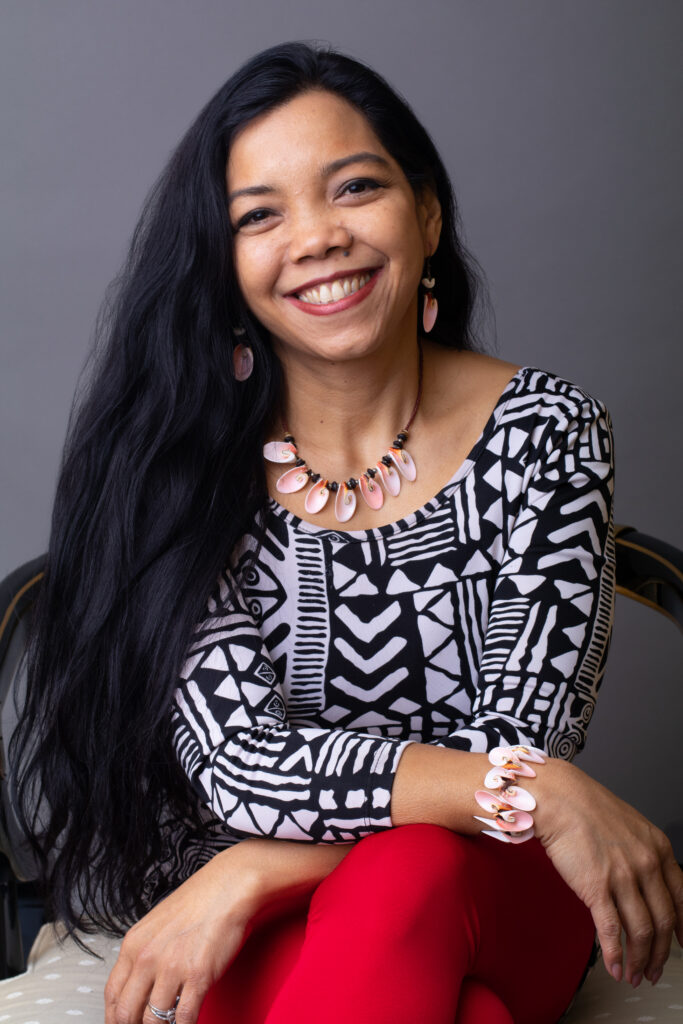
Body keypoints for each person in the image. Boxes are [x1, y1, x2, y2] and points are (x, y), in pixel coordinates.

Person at [7, 41, 682, 1024]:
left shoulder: (546, 432)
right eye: (260, 215)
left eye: (354, 187)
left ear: (426, 213)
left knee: (410, 873)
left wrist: (256, 869)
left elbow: (515, 743)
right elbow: (244, 767)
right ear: (222, 264)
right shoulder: (178, 465)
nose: (318, 236)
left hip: (490, 888)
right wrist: (531, 790)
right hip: (243, 918)